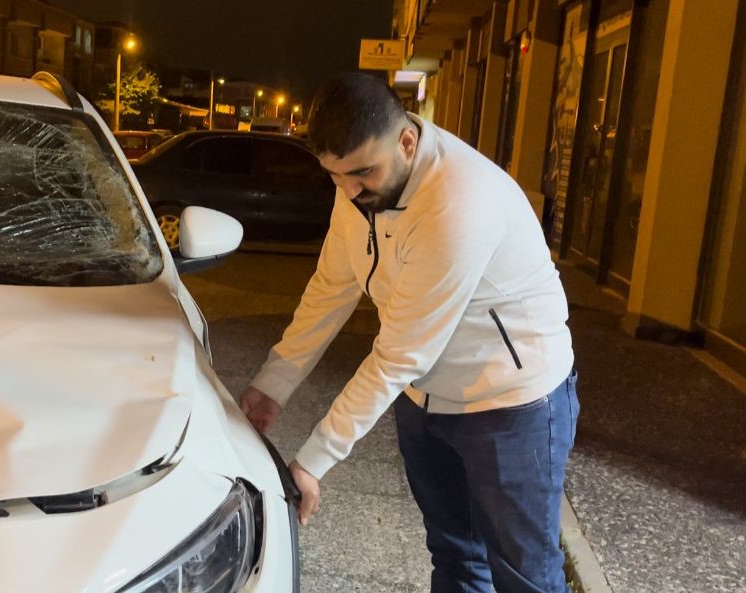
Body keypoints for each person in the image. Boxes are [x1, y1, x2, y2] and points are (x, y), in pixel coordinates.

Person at [239, 73, 579, 593]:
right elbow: (331, 288)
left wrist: (313, 461)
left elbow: (400, 353)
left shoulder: (457, 203)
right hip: (426, 400)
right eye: (335, 177)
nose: (351, 192)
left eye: (362, 173)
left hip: (511, 405)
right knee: (456, 557)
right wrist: (273, 385)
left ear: (406, 141)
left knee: (524, 575)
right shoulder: (358, 186)